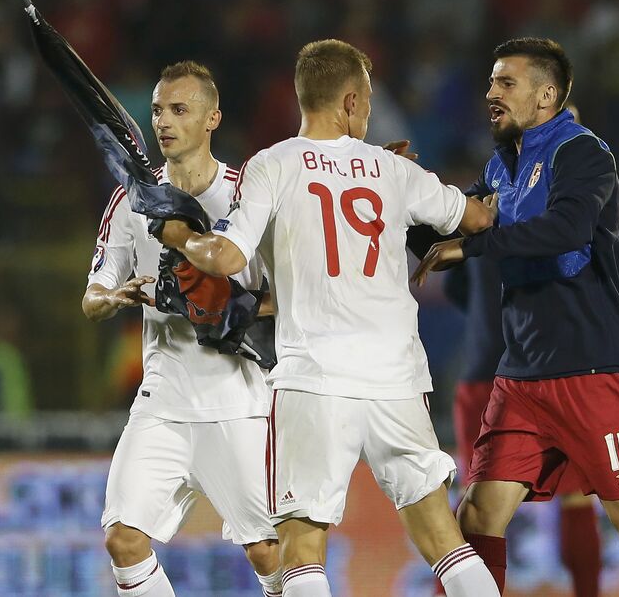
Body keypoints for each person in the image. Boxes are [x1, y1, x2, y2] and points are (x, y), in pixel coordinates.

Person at [155, 39, 501, 597]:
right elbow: (479, 217)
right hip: (395, 378)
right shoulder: (393, 168)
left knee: (302, 547)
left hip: (314, 379)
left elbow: (226, 259)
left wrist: (180, 235)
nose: (366, 112)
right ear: (349, 101)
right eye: (365, 101)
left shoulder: (271, 165)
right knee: (444, 539)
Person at [413, 37, 619, 596]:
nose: (491, 93)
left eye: (505, 83)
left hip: (591, 370)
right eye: (490, 82)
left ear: (546, 95)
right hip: (520, 376)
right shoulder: (499, 165)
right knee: (479, 518)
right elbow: (448, 230)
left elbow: (568, 230)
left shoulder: (581, 152)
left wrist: (477, 247)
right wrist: (398, 194)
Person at [83, 61, 282, 597]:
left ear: (212, 117)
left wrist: (229, 308)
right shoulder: (132, 201)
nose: (163, 122)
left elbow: (293, 297)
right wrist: (114, 296)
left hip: (239, 401)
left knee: (273, 553)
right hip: (163, 401)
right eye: (156, 111)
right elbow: (92, 295)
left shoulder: (249, 196)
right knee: (124, 540)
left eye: (179, 110)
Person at [442, 255, 603, 597]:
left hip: (486, 365)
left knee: (474, 505)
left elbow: (454, 284)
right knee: (575, 496)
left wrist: (491, 312)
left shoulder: (479, 203)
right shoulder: (569, 202)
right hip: (556, 366)